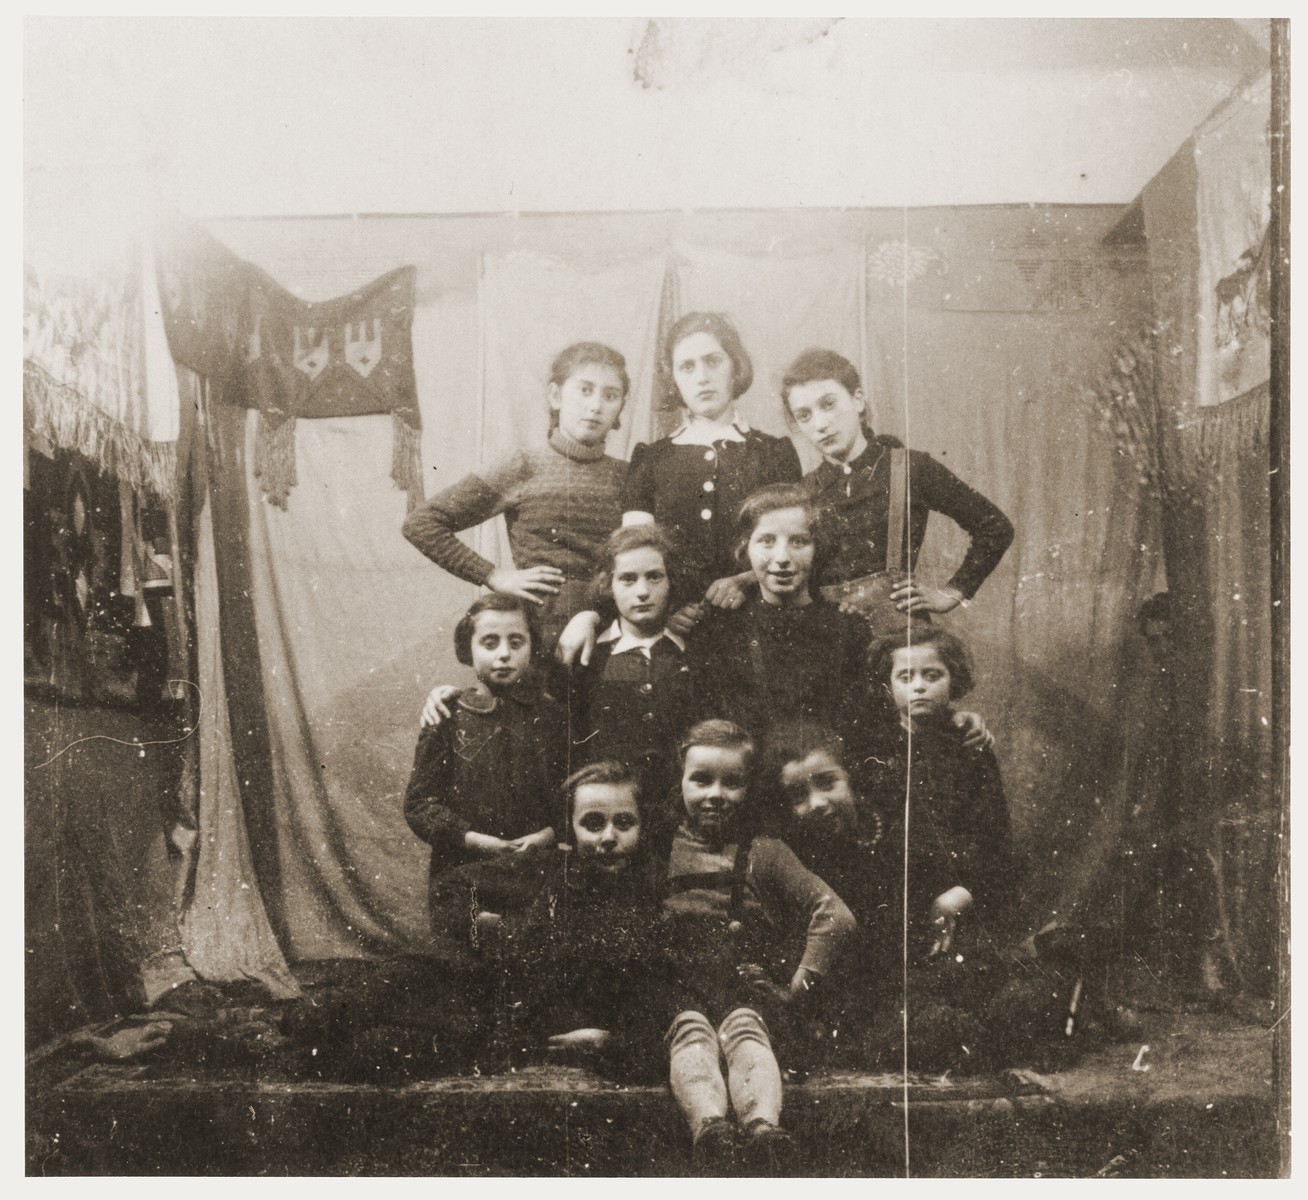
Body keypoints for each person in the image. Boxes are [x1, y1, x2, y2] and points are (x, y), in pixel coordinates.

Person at [662, 719, 856, 1175]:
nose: (715, 794)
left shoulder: (765, 852)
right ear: (680, 780)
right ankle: (709, 1130)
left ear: (751, 788)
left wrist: (797, 990)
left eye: (733, 783)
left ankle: (764, 1131)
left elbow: (836, 917)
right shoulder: (656, 847)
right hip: (674, 991)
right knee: (690, 1035)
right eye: (702, 779)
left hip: (742, 992)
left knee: (747, 1034)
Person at [555, 312, 801, 664]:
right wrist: (666, 609)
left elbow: (795, 544)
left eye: (713, 361)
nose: (702, 377)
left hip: (765, 625)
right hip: (676, 633)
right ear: (674, 379)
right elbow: (634, 554)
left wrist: (746, 580)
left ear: (735, 367)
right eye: (687, 367)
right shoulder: (651, 459)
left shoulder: (772, 452)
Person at [427, 760, 676, 1082]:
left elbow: (655, 998)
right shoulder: (545, 870)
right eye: (593, 823)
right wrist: (488, 926)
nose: (609, 837)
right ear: (571, 826)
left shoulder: (653, 894)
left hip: (601, 1053)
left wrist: (616, 1041)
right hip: (519, 1036)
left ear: (642, 826)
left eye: (625, 823)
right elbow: (450, 887)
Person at [402, 342, 630, 656]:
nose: (596, 406)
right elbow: (422, 523)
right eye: (585, 390)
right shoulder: (523, 464)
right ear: (555, 396)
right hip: (540, 630)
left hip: (614, 627)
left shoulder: (629, 475)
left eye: (610, 395)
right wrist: (493, 575)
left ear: (620, 407)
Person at [861, 626, 1019, 1073]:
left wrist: (962, 892)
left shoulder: (971, 750)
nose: (919, 686)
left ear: (955, 680)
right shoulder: (871, 750)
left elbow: (995, 841)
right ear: (885, 685)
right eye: (904, 676)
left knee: (989, 994)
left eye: (933, 674)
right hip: (896, 906)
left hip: (962, 900)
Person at [780, 348, 1013, 636]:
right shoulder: (802, 492)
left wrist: (953, 593)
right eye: (804, 416)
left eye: (828, 404)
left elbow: (995, 527)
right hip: (830, 644)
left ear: (858, 400)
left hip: (901, 643)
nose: (820, 424)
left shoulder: (911, 468)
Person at [403, 594, 566, 918]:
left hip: (537, 867)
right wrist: (474, 839)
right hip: (463, 870)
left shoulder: (554, 717)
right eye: (490, 643)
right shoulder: (448, 715)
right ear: (468, 649)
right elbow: (420, 805)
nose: (504, 654)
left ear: (532, 647)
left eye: (516, 642)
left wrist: (545, 836)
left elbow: (571, 795)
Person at [685, 484, 874, 750]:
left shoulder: (848, 628)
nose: (782, 558)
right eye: (767, 541)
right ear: (745, 547)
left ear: (817, 548)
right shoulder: (720, 631)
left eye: (799, 542)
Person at [569, 524, 699, 844]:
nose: (642, 591)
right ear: (608, 585)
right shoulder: (589, 658)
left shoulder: (696, 654)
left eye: (654, 577)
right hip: (608, 828)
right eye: (627, 579)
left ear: (672, 582)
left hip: (681, 825)